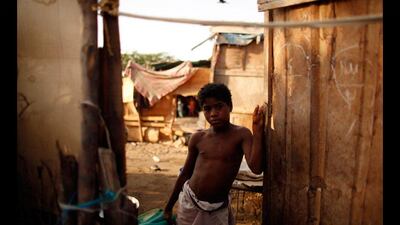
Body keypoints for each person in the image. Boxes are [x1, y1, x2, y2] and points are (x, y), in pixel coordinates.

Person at [163, 83, 266, 225]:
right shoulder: (198, 138)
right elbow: (186, 173)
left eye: (219, 106)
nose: (213, 113)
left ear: (230, 106)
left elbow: (256, 168)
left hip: (217, 209)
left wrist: (258, 132)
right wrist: (168, 207)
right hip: (190, 202)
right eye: (207, 109)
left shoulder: (241, 135)